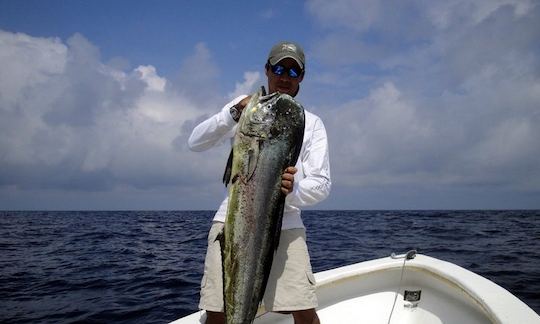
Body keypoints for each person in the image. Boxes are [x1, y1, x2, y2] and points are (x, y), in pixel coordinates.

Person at [188, 41, 331, 324]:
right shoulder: (247, 108)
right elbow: (195, 142)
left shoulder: (311, 122)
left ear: (301, 77)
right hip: (232, 220)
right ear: (267, 70)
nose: (284, 76)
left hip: (285, 222)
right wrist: (232, 114)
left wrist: (294, 190)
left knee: (303, 309)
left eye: (293, 72)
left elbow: (322, 184)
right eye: (278, 68)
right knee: (217, 311)